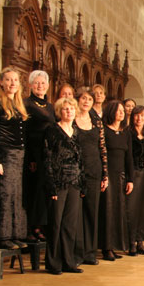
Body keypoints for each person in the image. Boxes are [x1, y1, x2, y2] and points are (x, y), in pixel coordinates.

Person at [0, 67, 29, 250]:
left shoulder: (19, 106)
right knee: (4, 195)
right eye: (9, 80)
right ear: (2, 83)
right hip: (4, 155)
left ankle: (16, 234)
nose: (12, 83)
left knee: (16, 196)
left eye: (15, 80)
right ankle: (3, 236)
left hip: (19, 156)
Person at [43, 97, 85, 275]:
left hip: (74, 182)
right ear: (60, 111)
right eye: (65, 109)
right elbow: (47, 159)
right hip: (58, 182)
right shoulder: (52, 130)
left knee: (70, 224)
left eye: (71, 109)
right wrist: (51, 185)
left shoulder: (76, 131)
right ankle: (53, 263)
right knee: (55, 224)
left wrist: (82, 183)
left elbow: (80, 160)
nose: (69, 112)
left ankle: (69, 261)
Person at [74, 87, 108, 266]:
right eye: (83, 99)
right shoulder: (71, 120)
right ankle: (77, 252)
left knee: (91, 212)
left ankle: (89, 252)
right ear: (77, 100)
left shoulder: (97, 122)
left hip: (94, 170)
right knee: (76, 213)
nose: (86, 102)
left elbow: (102, 149)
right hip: (76, 171)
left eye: (89, 99)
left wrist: (105, 174)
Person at [99, 100, 134, 261]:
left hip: (121, 175)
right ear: (111, 111)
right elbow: (101, 154)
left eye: (122, 111)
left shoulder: (125, 132)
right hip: (108, 175)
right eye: (118, 110)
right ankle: (106, 247)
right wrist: (103, 175)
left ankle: (115, 245)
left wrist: (130, 179)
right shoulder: (104, 130)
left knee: (119, 211)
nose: (121, 113)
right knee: (108, 211)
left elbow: (129, 157)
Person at [23, 70, 55, 243]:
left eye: (43, 83)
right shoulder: (26, 104)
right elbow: (25, 133)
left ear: (48, 86)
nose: (40, 86)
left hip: (47, 153)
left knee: (43, 191)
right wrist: (31, 159)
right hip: (33, 153)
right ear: (30, 85)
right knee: (34, 190)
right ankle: (32, 227)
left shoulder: (50, 107)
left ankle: (41, 225)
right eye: (36, 83)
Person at [126, 105, 144, 255]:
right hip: (133, 173)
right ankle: (131, 242)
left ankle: (141, 242)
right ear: (132, 117)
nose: (139, 119)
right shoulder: (127, 133)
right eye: (136, 116)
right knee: (132, 208)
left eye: (142, 115)